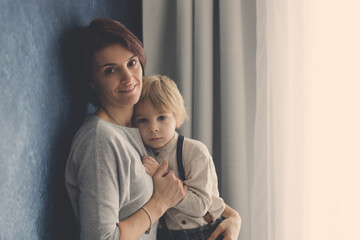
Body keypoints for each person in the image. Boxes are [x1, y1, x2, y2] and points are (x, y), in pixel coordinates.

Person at [65, 17, 241, 240]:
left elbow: (178, 187)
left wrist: (233, 217)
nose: (128, 78)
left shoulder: (140, 128)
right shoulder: (99, 141)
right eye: (110, 70)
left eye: (132, 63)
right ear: (91, 81)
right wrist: (160, 203)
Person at [133, 75, 229, 240]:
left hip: (204, 231)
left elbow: (200, 206)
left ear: (176, 118)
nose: (153, 128)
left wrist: (162, 179)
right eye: (143, 120)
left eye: (162, 118)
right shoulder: (141, 152)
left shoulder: (195, 151)